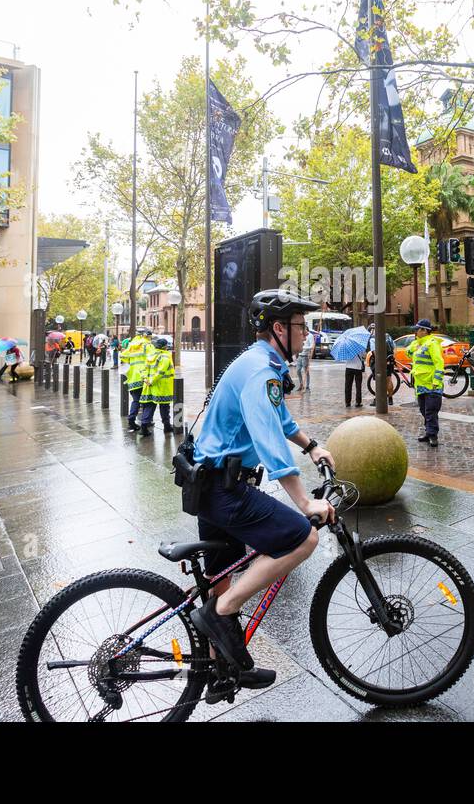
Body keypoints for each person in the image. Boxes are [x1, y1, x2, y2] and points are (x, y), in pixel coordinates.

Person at [188, 289, 336, 684]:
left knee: (221, 578)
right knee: (303, 539)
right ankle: (219, 614)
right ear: (278, 328)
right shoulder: (261, 371)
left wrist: (312, 445)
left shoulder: (259, 363)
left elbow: (280, 417)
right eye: (301, 328)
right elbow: (270, 440)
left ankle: (224, 671)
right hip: (225, 490)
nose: (307, 336)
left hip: (209, 484)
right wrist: (305, 502)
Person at [407, 318, 445, 447]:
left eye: (417, 329)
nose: (415, 332)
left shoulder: (432, 343)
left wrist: (436, 381)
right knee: (424, 411)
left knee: (430, 411)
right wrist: (415, 344)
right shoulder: (419, 343)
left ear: (424, 330)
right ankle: (429, 432)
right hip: (421, 385)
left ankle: (433, 435)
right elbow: (408, 353)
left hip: (432, 385)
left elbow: (439, 363)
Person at [138, 336, 176, 436]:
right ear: (164, 347)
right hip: (162, 386)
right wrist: (151, 381)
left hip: (149, 386)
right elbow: (161, 372)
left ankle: (144, 427)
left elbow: (143, 369)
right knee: (164, 407)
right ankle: (167, 426)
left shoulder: (151, 355)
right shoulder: (165, 356)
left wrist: (146, 379)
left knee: (149, 406)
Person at [121, 327, 152, 431]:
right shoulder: (147, 344)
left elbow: (122, 355)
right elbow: (152, 357)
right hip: (144, 375)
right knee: (147, 401)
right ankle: (146, 421)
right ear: (145, 335)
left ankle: (131, 419)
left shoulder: (131, 344)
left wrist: (130, 361)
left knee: (136, 400)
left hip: (133, 376)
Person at [294, 320, 315, 392]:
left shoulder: (310, 336)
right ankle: (301, 384)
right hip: (300, 355)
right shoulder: (301, 335)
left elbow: (312, 346)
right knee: (298, 370)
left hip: (305, 355)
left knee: (306, 371)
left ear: (306, 329)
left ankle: (307, 386)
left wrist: (303, 347)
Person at [343, 338, 364, 407]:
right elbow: (363, 356)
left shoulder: (346, 346)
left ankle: (347, 402)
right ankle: (358, 402)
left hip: (348, 367)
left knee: (348, 385)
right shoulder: (360, 346)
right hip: (358, 367)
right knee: (358, 386)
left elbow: (345, 357)